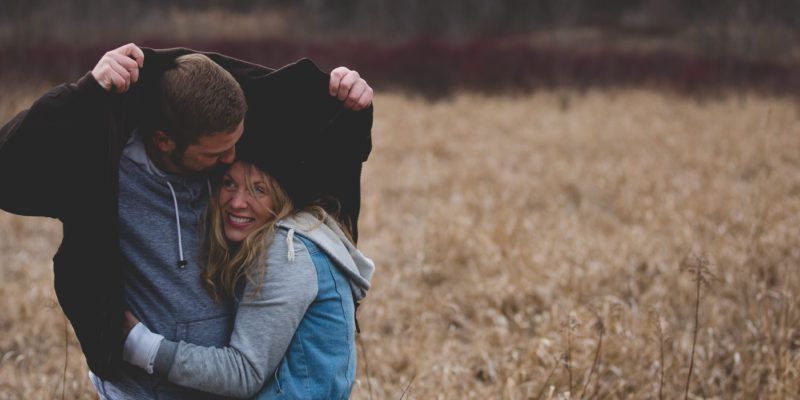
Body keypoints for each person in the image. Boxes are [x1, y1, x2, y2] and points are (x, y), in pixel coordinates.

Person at [0, 43, 374, 398]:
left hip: (223, 388)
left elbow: (319, 136)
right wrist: (85, 92)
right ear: (165, 141)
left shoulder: (225, 144)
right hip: (139, 388)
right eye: (216, 156)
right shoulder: (102, 164)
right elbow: (10, 163)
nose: (232, 158)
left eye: (235, 146)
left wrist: (349, 98)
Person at [122, 159, 374, 399]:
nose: (237, 202)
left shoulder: (287, 253)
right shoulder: (293, 238)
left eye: (258, 189)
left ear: (281, 197)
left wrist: (142, 346)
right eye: (229, 183)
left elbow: (245, 372)